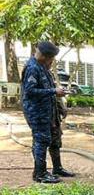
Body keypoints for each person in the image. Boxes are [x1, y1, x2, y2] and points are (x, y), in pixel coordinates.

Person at [21, 41, 67, 184]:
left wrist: (59, 104)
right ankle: (40, 173)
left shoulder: (43, 67)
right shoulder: (32, 68)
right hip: (37, 113)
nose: (51, 61)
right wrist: (54, 91)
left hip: (49, 111)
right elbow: (30, 91)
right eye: (50, 58)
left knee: (54, 138)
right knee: (41, 141)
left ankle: (57, 168)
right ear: (44, 56)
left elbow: (49, 89)